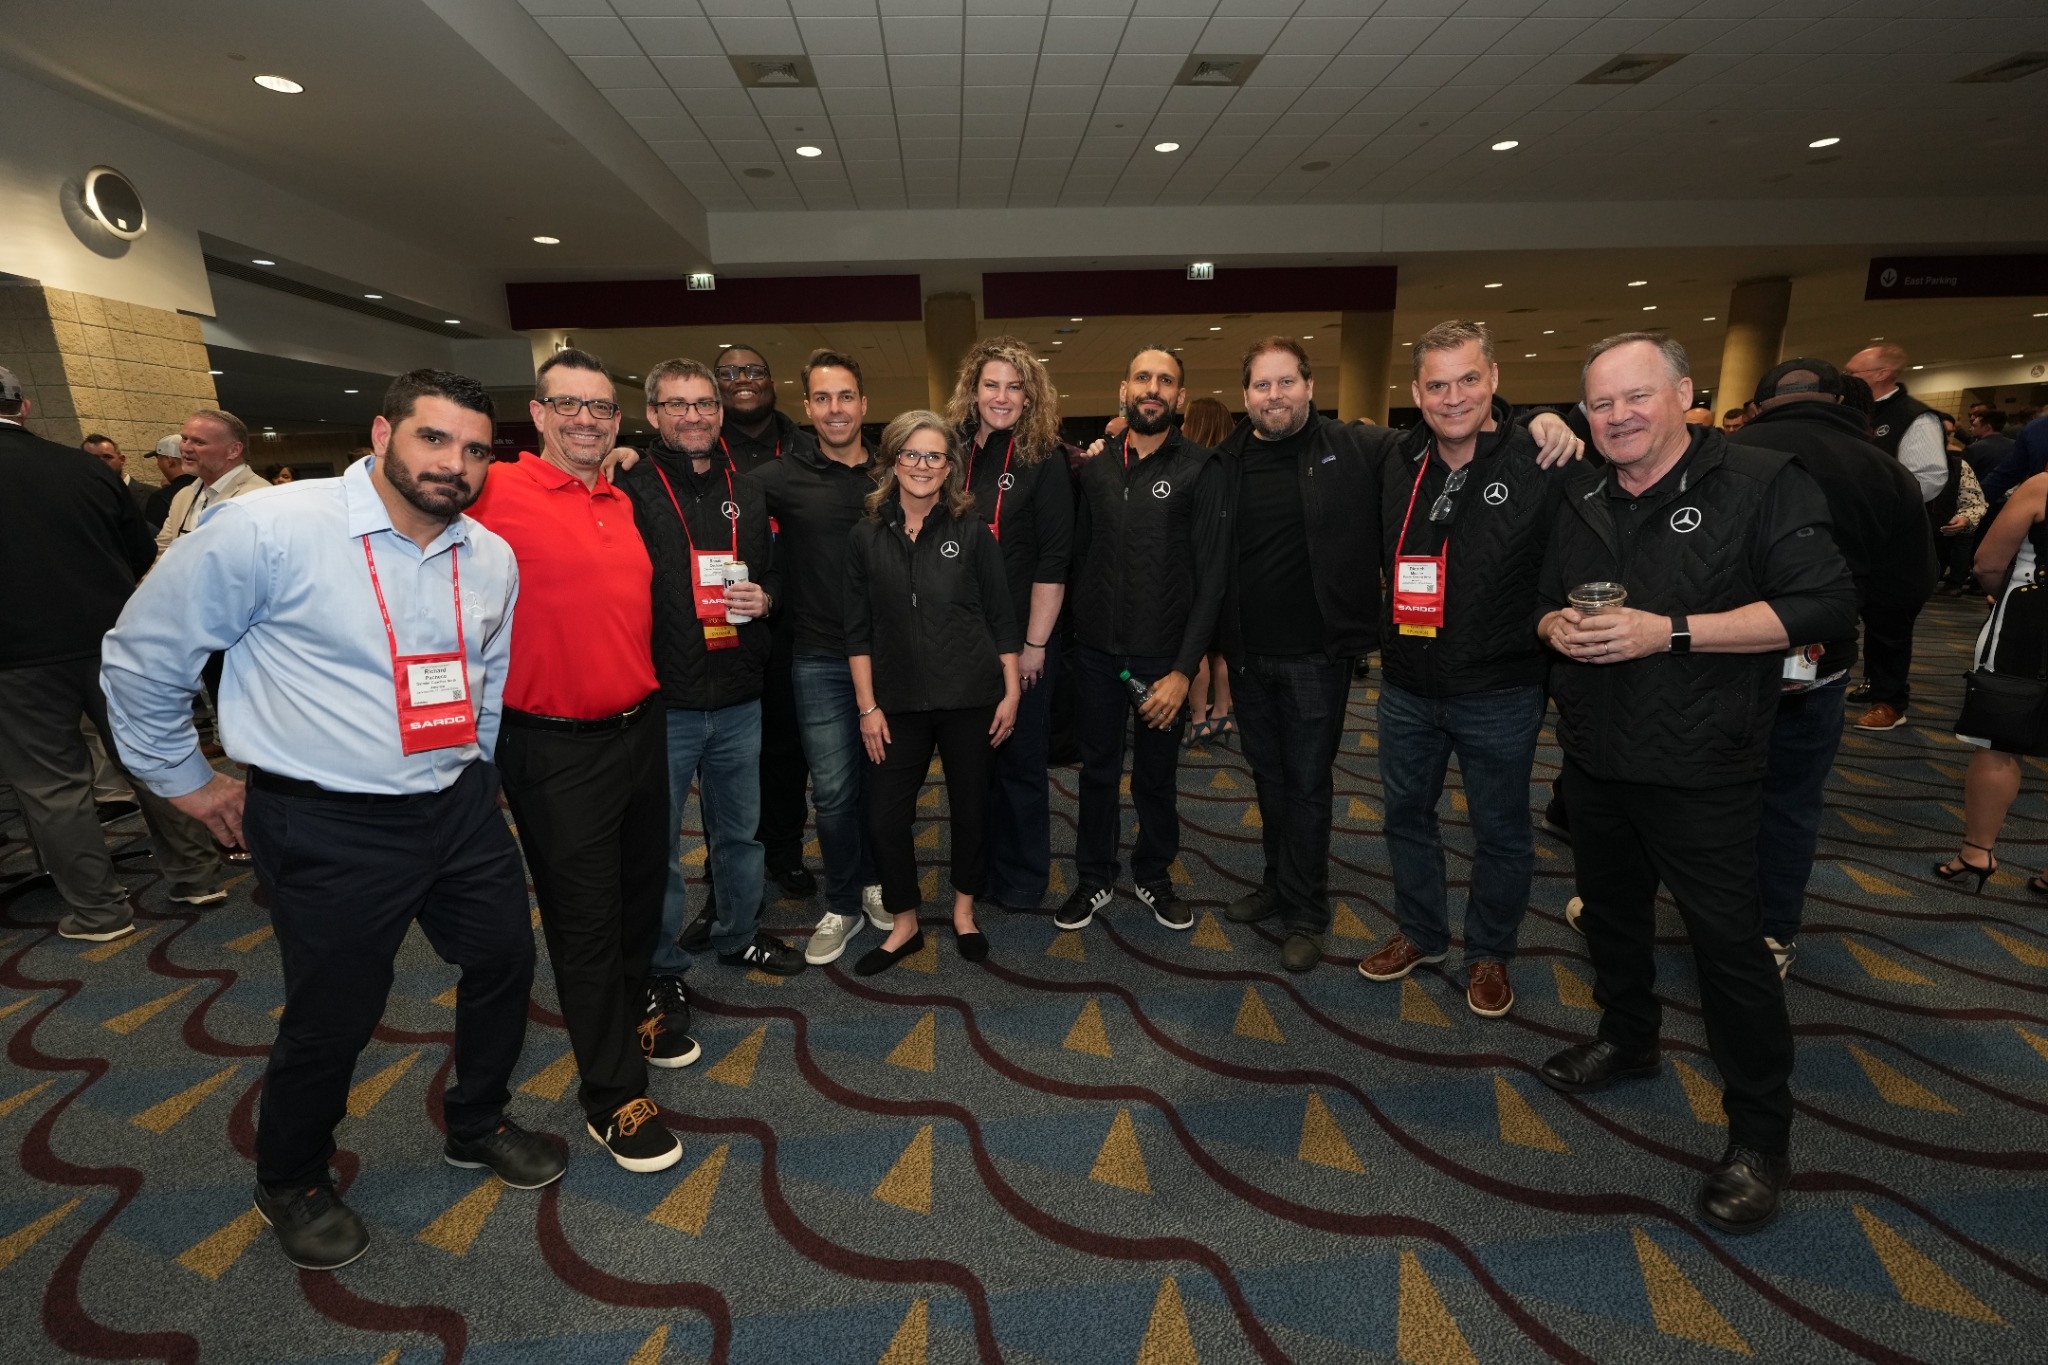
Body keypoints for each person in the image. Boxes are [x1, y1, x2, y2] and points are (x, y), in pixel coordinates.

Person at [101, 369, 563, 1272]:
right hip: (329, 820)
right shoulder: (271, 528)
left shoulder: (489, 555)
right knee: (335, 1011)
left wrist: (482, 768)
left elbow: (487, 674)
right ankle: (292, 1175)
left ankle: (477, 1119)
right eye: (435, 438)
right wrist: (188, 782)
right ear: (384, 433)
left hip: (457, 804)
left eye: (475, 449)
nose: (456, 463)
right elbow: (143, 656)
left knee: (505, 961)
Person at [1535, 332, 1855, 1235]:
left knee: (1728, 951)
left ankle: (1760, 1137)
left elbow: (1825, 605)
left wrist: (1668, 631)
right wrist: (1553, 623)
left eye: (1637, 396)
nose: (1619, 416)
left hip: (1704, 762)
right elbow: (1540, 595)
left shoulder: (1761, 480)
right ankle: (1628, 1036)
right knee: (1610, 914)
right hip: (1595, 754)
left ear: (1684, 394)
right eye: (1601, 403)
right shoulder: (1581, 490)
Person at [1216, 337, 1583, 972]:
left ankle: (1316, 911)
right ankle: (1296, 889)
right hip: (1285, 659)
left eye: (1286, 382)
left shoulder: (1363, 447)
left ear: (1310, 386)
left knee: (1316, 787)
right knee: (1292, 786)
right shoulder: (1228, 459)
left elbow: (1467, 422)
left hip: (1338, 658)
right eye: (1261, 385)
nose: (1274, 395)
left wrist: (1540, 418)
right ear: (1244, 394)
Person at [467, 348, 689, 1174]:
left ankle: (627, 1023)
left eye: (600, 407)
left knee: (637, 899)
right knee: (585, 921)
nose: (586, 420)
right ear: (538, 413)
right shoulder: (494, 490)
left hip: (640, 728)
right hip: (551, 744)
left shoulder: (618, 498)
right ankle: (612, 1095)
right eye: (569, 404)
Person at [1354, 322, 1571, 1014]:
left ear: (1494, 379)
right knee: (1404, 818)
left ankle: (1489, 952)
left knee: (1501, 832)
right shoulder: (1397, 458)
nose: (1454, 398)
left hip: (1500, 688)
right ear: (1416, 392)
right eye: (1438, 385)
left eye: (1469, 380)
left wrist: (1548, 418)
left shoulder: (1541, 457)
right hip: (1406, 685)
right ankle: (1423, 933)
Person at [0, 366, 227, 943]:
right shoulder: (85, 468)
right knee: (150, 758)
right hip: (115, 640)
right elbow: (139, 553)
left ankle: (100, 913)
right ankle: (197, 875)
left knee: (53, 785)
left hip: (15, 660)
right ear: (24, 407)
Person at [1726, 359, 1934, 977]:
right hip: (1819, 663)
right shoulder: (1887, 471)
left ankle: (1638, 909)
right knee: (1790, 800)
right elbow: (1909, 585)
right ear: (1846, 404)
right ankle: (1770, 932)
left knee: (1688, 790)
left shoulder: (1720, 457)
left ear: (1758, 407)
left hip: (1714, 657)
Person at [615, 357, 804, 1022]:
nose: (692, 415)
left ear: (720, 413)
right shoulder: (626, 487)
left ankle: (738, 933)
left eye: (703, 404)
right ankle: (661, 966)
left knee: (740, 834)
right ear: (653, 414)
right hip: (662, 698)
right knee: (659, 846)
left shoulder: (747, 491)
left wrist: (768, 597)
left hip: (739, 692)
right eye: (677, 404)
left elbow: (775, 571)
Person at [1058, 346, 1226, 935]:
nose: (1153, 388)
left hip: (1163, 659)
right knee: (1097, 772)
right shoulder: (1096, 467)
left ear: (1180, 397)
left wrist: (1184, 670)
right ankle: (1093, 877)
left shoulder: (1201, 468)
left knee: (1156, 777)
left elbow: (1212, 579)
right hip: (1096, 653)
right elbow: (1079, 556)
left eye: (1166, 380)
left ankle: (1154, 874)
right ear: (1124, 389)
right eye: (1143, 378)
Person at [846, 412, 1022, 973]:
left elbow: (1001, 616)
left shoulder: (972, 531)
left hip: (971, 696)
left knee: (971, 810)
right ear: (893, 460)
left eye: (935, 456)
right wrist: (867, 707)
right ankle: (905, 924)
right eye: (912, 454)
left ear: (950, 468)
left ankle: (965, 912)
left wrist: (1011, 692)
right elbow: (857, 631)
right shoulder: (865, 535)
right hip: (895, 704)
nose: (922, 466)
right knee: (883, 818)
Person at [745, 357, 888, 965]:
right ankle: (845, 900)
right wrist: (627, 459)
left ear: (863, 403)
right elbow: (710, 489)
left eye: (846, 396)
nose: (835, 409)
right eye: (823, 398)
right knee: (831, 791)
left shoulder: (895, 470)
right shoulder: (779, 476)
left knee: (885, 786)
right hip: (818, 657)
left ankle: (879, 883)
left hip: (892, 658)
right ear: (806, 407)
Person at [942, 337, 1073, 914]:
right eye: (991, 385)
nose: (1002, 397)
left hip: (1022, 639)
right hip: (959, 642)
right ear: (972, 391)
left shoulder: (1044, 459)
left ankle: (1021, 880)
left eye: (1014, 387)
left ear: (1029, 396)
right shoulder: (949, 454)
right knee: (972, 768)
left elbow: (1054, 560)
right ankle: (976, 873)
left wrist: (1034, 646)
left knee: (1019, 763)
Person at [712, 344, 818, 900]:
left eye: (753, 371)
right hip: (719, 622)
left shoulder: (805, 445)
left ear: (772, 381)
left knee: (785, 750)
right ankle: (726, 864)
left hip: (793, 619)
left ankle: (784, 852)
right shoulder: (699, 446)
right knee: (725, 757)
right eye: (729, 373)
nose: (742, 380)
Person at [1937, 470, 2048, 897]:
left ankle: (1977, 852)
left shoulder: (2041, 486)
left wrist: (2000, 593)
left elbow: (1987, 563)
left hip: (2030, 619)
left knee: (1999, 740)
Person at [1178, 396, 1236, 746]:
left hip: (1198, 570)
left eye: (1186, 421)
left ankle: (1198, 719)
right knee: (1223, 651)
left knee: (1196, 649)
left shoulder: (1194, 468)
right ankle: (1222, 715)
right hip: (1232, 571)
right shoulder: (1235, 466)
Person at [156, 409, 270, 553]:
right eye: (184, 439)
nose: (185, 448)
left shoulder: (260, 497)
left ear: (233, 450)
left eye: (199, 442)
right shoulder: (183, 496)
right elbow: (162, 551)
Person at [81, 432, 150, 515]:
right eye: (93, 458)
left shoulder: (151, 495)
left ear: (122, 460)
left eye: (107, 457)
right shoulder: (82, 500)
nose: (101, 462)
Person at [143, 433, 194, 534]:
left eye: (158, 458)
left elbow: (157, 538)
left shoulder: (161, 498)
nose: (157, 463)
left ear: (169, 460)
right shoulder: (207, 486)